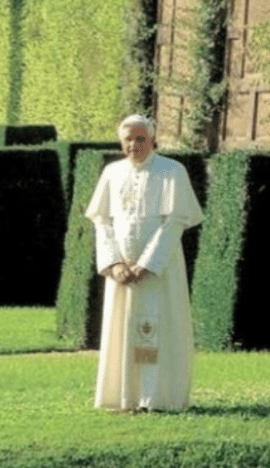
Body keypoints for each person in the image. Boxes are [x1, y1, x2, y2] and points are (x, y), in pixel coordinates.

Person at [84, 115, 204, 412]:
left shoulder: (172, 172)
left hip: (159, 271)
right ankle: (124, 397)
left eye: (140, 139)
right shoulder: (111, 173)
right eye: (128, 139)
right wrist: (114, 264)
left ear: (152, 140)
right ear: (120, 141)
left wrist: (147, 263)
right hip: (121, 273)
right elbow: (102, 220)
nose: (133, 145)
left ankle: (158, 397)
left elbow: (174, 221)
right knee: (122, 329)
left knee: (158, 328)